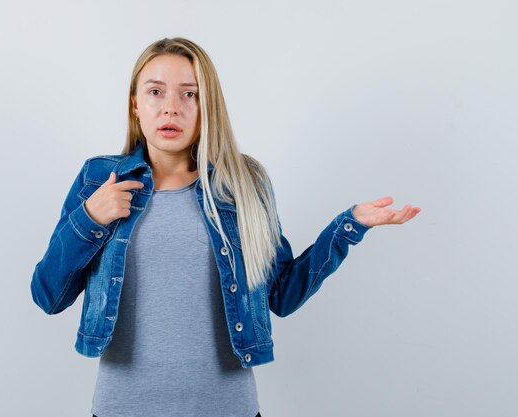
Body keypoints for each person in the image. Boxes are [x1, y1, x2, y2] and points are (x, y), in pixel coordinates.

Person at [30, 37, 420, 417]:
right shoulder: (98, 179)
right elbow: (48, 296)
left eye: (189, 94)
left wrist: (348, 226)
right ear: (135, 104)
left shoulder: (243, 183)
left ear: (207, 106)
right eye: (155, 92)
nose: (171, 109)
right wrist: (90, 219)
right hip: (123, 406)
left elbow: (282, 296)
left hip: (227, 406)